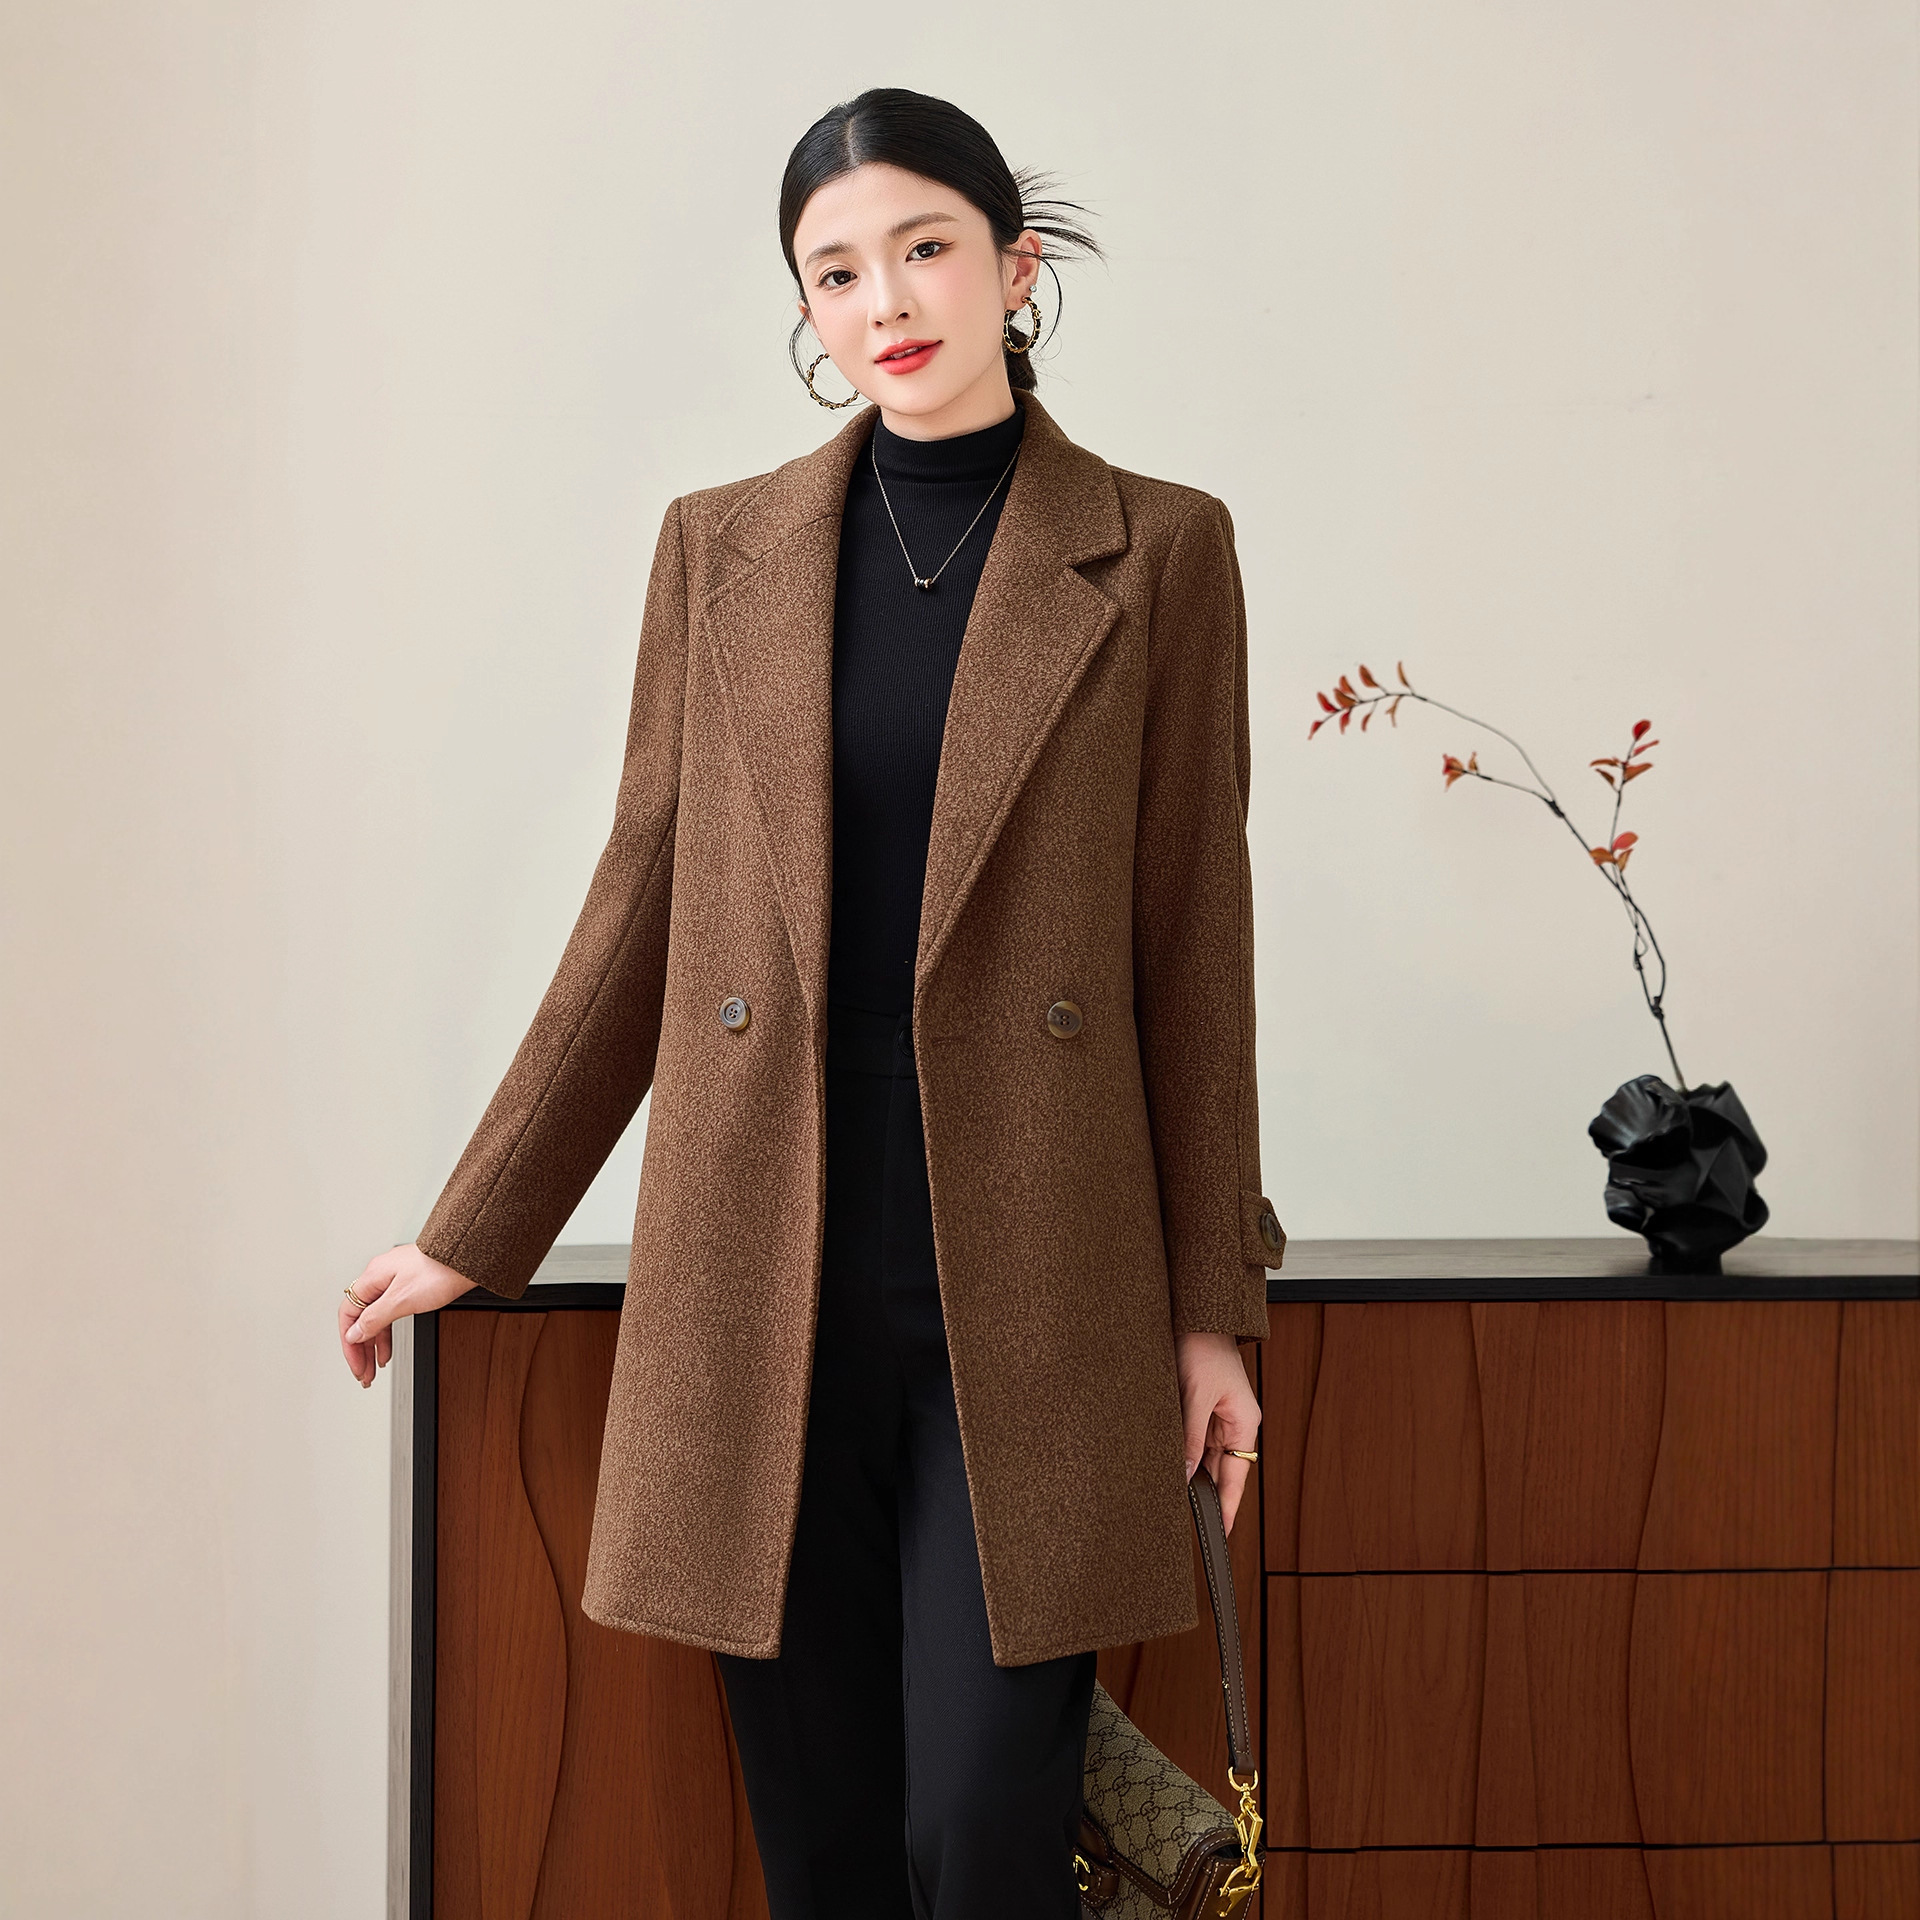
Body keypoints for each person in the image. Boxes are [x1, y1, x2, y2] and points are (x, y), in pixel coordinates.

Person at [335, 85, 1281, 1920]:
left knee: (984, 1839)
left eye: (924, 248)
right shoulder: (724, 549)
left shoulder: (1159, 547)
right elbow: (642, 899)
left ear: (1015, 264)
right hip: (759, 1282)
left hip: (1040, 1285)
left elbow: (1193, 942)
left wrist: (1212, 1306)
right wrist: (474, 1227)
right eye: (835, 271)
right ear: (804, 306)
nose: (885, 301)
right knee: (829, 1854)